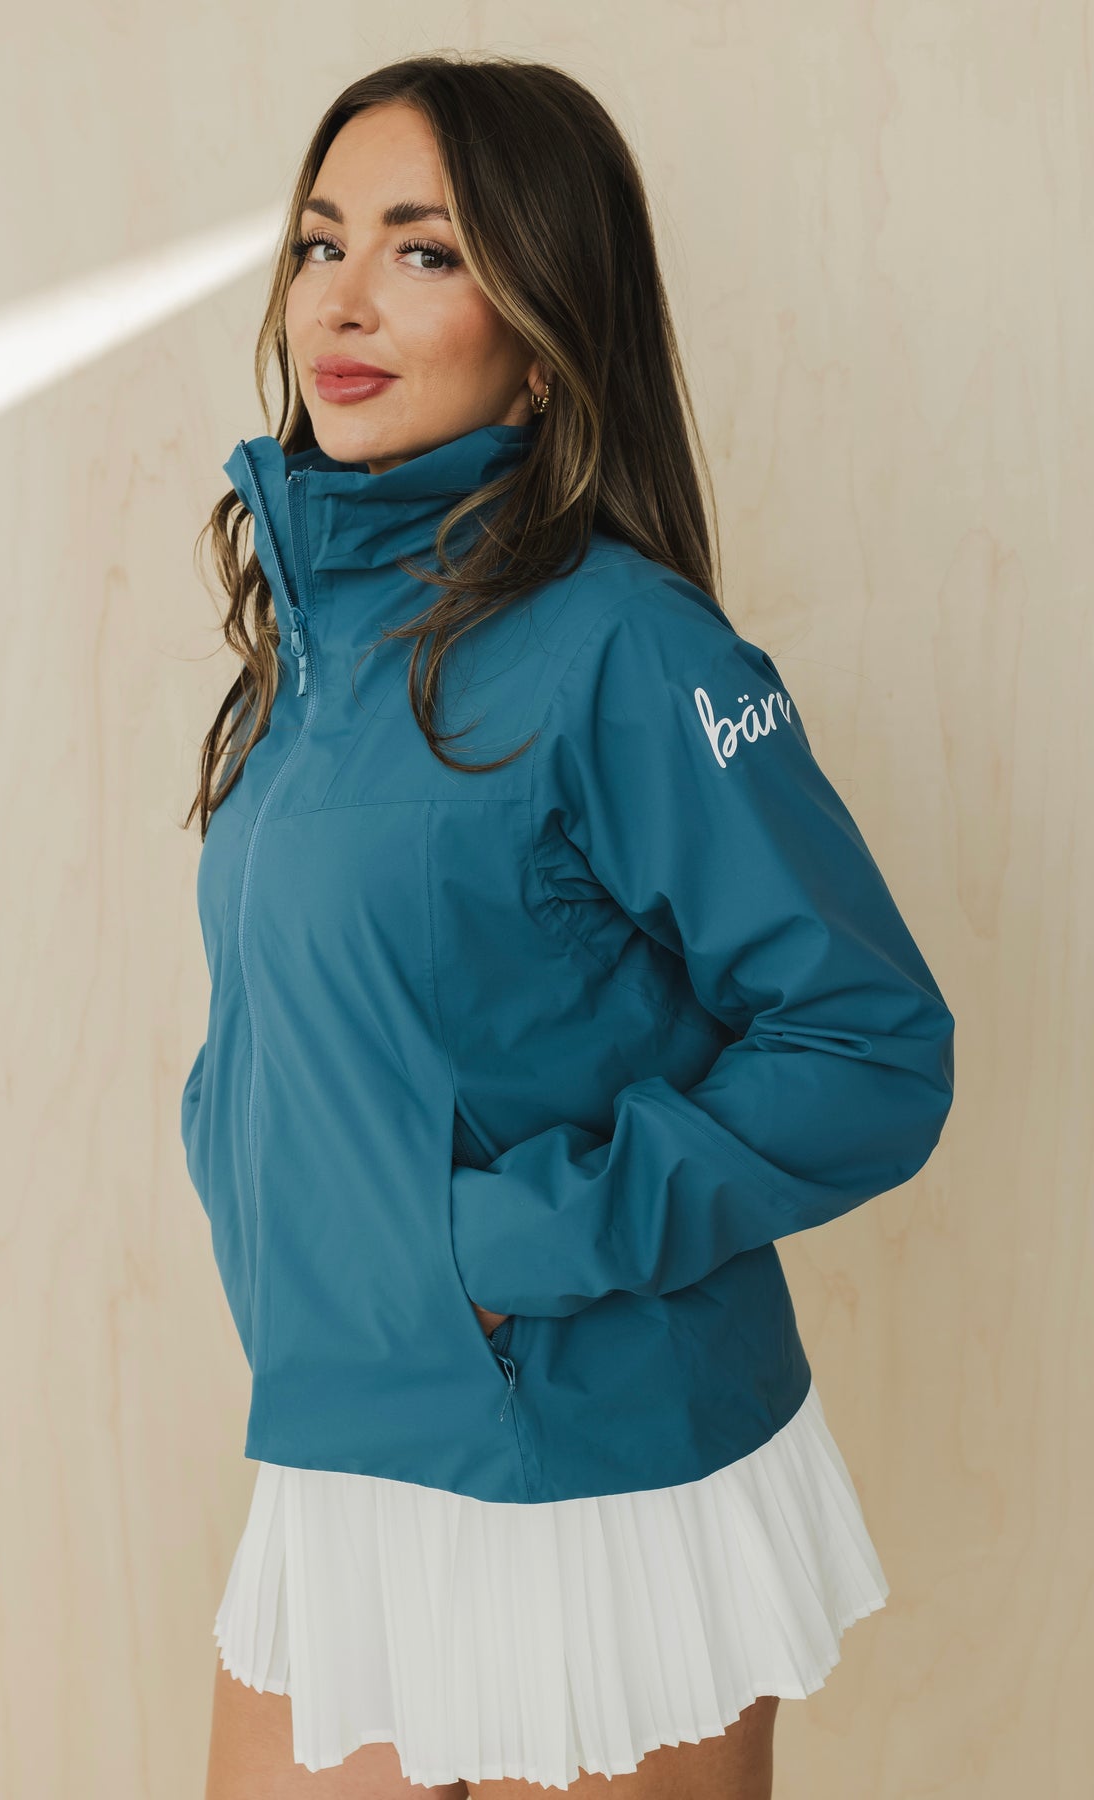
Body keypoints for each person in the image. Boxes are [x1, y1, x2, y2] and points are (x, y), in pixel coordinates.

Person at [181, 53, 956, 1800]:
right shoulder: (311, 654)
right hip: (346, 1436)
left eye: (425, 250)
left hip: (596, 1463)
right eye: (320, 242)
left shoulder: (631, 649)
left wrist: (501, 1247)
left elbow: (871, 1048)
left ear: (541, 340)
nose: (345, 299)